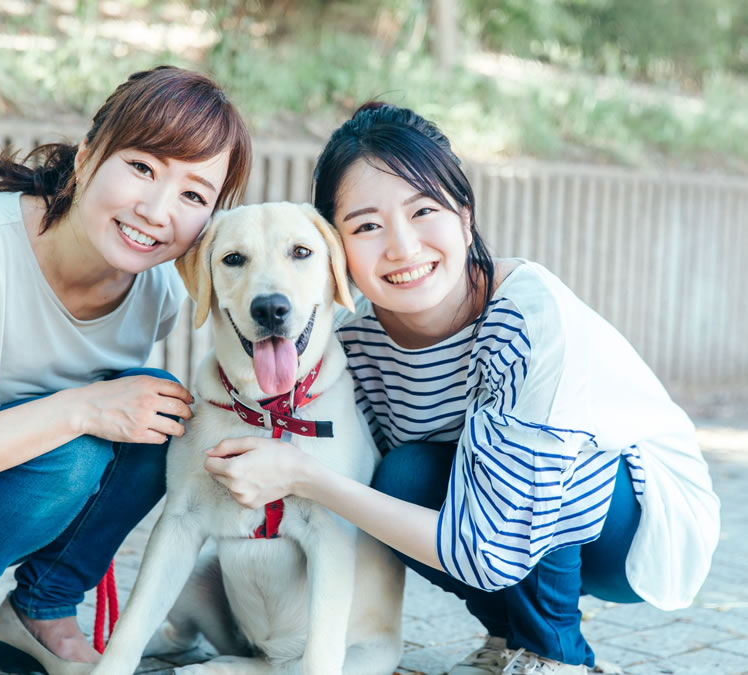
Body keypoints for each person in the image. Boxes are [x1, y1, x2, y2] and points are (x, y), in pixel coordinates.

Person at [203, 102, 720, 674]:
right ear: (335, 246)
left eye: (424, 210)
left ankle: (558, 658)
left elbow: (494, 544)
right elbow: (371, 485)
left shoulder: (529, 321)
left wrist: (305, 477)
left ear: (465, 217)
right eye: (368, 226)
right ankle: (512, 637)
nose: (402, 247)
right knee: (400, 476)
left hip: (634, 527)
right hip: (495, 513)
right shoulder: (357, 344)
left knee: (537, 458)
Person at [0, 65, 251, 675]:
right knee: (77, 440)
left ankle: (43, 610)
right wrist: (81, 409)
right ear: (88, 156)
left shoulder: (159, 295)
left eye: (194, 194)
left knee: (164, 413)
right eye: (142, 167)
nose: (157, 209)